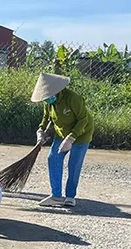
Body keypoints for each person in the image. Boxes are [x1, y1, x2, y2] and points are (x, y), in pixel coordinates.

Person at [31, 73, 94, 207]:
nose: (46, 99)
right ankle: (56, 196)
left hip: (81, 135)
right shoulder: (49, 103)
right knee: (53, 158)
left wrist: (71, 138)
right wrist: (41, 131)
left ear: (56, 90)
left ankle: (70, 196)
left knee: (74, 164)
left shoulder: (73, 98)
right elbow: (46, 119)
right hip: (61, 133)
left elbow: (83, 119)